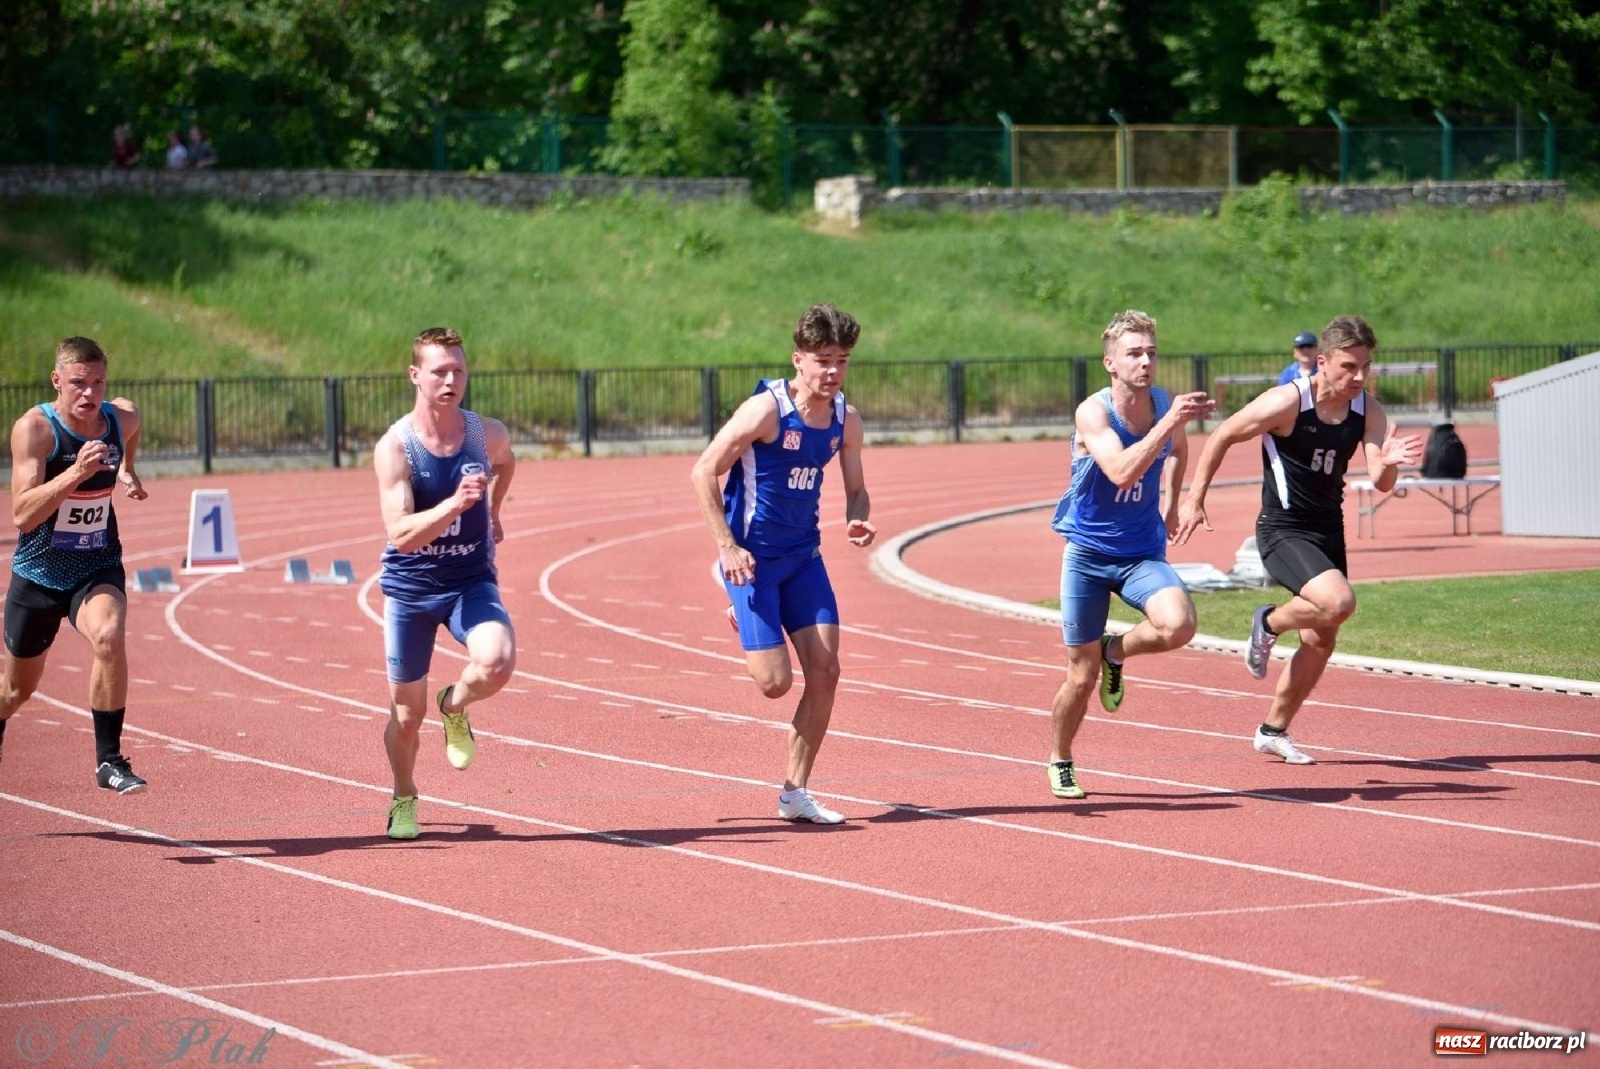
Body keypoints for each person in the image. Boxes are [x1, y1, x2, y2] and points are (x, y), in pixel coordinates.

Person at [1175, 315, 1422, 764]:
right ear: (1322, 362)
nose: (1359, 377)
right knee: (1339, 602)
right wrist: (1194, 500)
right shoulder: (1288, 402)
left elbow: (1380, 481)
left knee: (1321, 640)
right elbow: (1223, 434)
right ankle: (1269, 622)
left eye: (1366, 367)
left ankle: (1273, 730)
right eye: (1349, 367)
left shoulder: (1368, 410)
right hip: (1282, 528)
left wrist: (1389, 462)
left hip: (1328, 529)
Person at [690, 303, 875, 825]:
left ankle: (795, 793)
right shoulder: (765, 411)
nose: (833, 371)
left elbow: (857, 490)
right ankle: (741, 606)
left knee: (827, 671)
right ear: (799, 359)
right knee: (774, 684)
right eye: (823, 359)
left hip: (804, 559)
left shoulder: (846, 419)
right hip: (752, 563)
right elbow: (703, 472)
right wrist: (727, 546)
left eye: (842, 360)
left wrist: (857, 518)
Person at [1045, 310, 1214, 800]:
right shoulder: (1092, 413)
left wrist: (1174, 502)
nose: (1146, 363)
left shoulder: (1162, 403)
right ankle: (1061, 757)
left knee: (1179, 625)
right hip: (1088, 556)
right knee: (1081, 676)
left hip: (1141, 552)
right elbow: (1121, 470)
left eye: (1151, 354)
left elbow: (1177, 449)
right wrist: (1169, 423)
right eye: (1135, 354)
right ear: (1110, 363)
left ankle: (1114, 650)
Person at [374, 327, 517, 839]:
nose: (451, 381)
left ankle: (454, 706)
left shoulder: (485, 435)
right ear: (415, 375)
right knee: (406, 716)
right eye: (439, 372)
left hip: (469, 580)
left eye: (458, 370)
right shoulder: (396, 447)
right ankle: (404, 796)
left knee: (497, 662)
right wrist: (456, 504)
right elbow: (401, 535)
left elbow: (507, 461)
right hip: (411, 592)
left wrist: (493, 512)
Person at [0, 337, 149, 792]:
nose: (90, 393)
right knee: (16, 691)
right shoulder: (36, 430)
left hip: (96, 562)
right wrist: (76, 473)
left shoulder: (118, 419)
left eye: (98, 383)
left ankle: (109, 760)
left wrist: (126, 467)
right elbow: (23, 515)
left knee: (109, 633)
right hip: (39, 573)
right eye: (79, 383)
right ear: (57, 380)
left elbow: (132, 422)